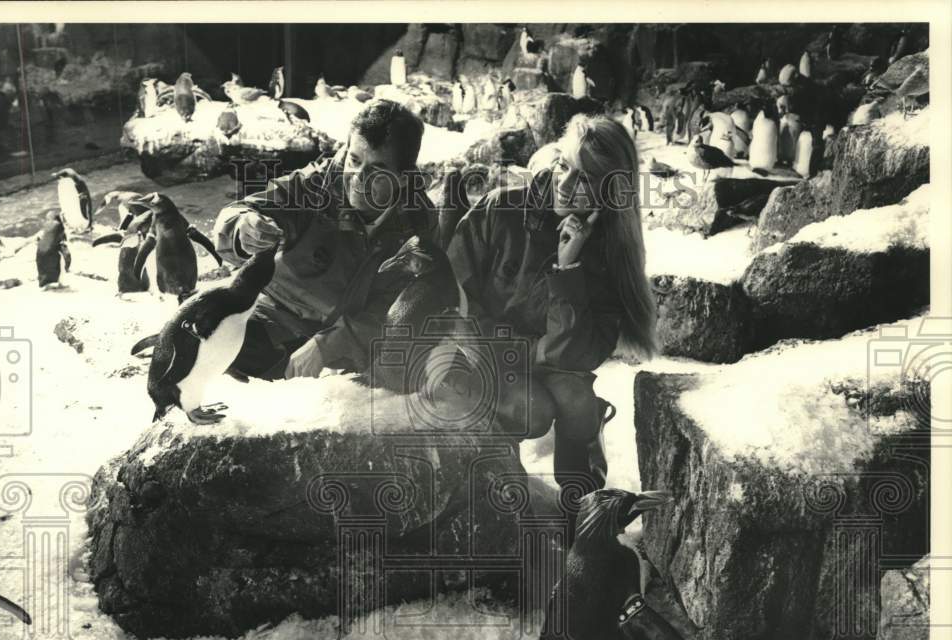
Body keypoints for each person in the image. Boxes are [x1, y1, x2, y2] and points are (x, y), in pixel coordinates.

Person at [445, 113, 658, 526]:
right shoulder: (501, 208)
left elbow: (580, 355)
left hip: (548, 359)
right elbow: (451, 299)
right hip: (485, 356)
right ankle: (495, 487)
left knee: (578, 401)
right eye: (563, 164)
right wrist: (516, 352)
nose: (564, 184)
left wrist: (568, 269)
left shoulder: (608, 253)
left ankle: (585, 507)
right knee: (534, 411)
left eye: (585, 179)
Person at [212, 99, 442, 381]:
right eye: (354, 160)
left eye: (377, 170)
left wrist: (329, 344)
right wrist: (242, 229)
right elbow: (237, 214)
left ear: (403, 178)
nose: (358, 178)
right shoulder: (314, 185)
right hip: (271, 320)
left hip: (352, 341)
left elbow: (402, 307)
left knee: (418, 367)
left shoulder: (419, 224)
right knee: (202, 343)